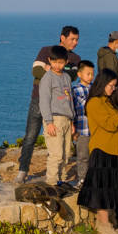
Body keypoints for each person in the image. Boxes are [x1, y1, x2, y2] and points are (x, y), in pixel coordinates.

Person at [78, 69, 118, 234]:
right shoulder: (94, 103)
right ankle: (103, 223)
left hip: (113, 148)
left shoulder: (107, 102)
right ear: (102, 84)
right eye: (110, 85)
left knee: (110, 187)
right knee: (102, 187)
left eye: (114, 86)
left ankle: (106, 222)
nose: (113, 89)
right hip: (101, 148)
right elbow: (109, 124)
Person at [19, 26, 81, 180]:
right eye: (72, 39)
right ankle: (23, 170)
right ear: (62, 37)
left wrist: (51, 69)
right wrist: (57, 72)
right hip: (38, 98)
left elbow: (72, 77)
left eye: (77, 39)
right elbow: (36, 71)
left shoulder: (75, 59)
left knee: (57, 141)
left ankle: (55, 174)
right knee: (31, 136)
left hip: (59, 106)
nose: (75, 42)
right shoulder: (46, 51)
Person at [39, 45, 76, 191]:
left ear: (66, 62)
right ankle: (52, 182)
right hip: (54, 119)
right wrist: (48, 122)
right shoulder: (47, 78)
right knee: (56, 154)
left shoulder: (67, 77)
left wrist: (72, 121)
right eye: (54, 62)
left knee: (66, 153)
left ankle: (62, 179)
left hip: (67, 119)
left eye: (61, 62)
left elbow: (70, 100)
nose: (57, 65)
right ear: (49, 60)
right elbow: (44, 101)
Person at [70, 60, 96, 187]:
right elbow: (74, 109)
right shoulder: (75, 90)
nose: (91, 76)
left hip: (95, 130)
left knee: (93, 157)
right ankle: (82, 179)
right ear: (79, 74)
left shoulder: (95, 89)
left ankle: (91, 179)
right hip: (82, 129)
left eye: (92, 74)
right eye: (88, 74)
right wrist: (73, 129)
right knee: (82, 156)